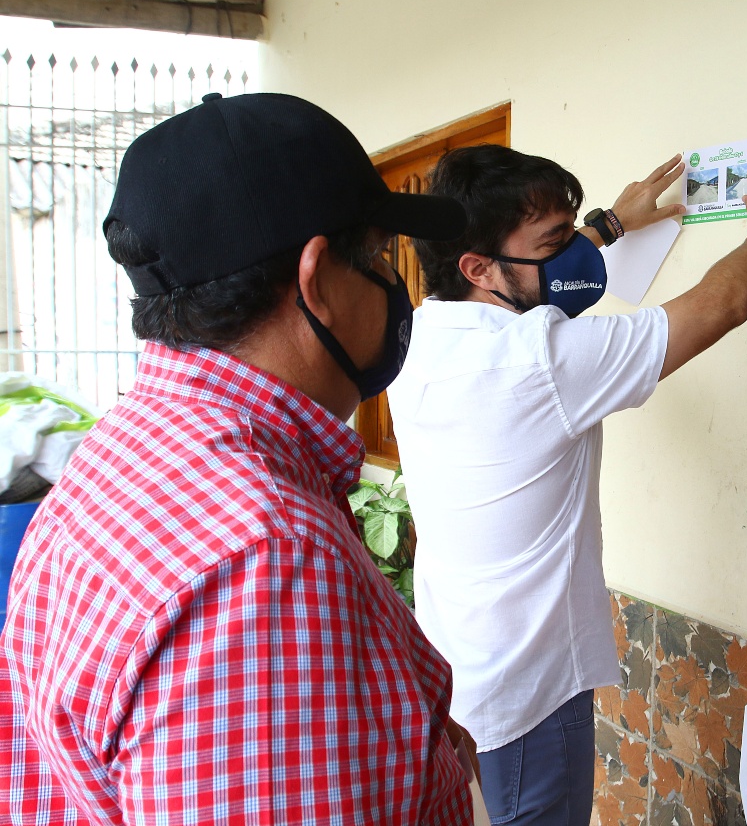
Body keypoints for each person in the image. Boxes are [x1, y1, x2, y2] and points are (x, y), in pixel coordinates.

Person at [0, 92, 480, 824]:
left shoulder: (119, 456)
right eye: (381, 256)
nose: (392, 283)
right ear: (317, 280)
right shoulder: (264, 564)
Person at [389, 135, 747, 824]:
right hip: (531, 696)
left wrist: (609, 225)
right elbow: (721, 305)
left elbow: (529, 280)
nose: (570, 255)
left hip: (457, 673)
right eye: (554, 244)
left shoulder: (421, 332)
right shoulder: (537, 360)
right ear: (478, 266)